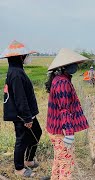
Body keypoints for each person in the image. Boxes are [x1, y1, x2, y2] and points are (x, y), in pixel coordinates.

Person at [45, 48, 89, 180]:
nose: (75, 66)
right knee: (66, 165)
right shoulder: (62, 82)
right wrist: (69, 133)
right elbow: (64, 109)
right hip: (61, 131)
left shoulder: (59, 79)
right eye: (72, 64)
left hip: (56, 129)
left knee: (59, 161)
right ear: (64, 67)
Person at [1, 40, 42, 178]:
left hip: (25, 113)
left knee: (36, 132)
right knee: (22, 139)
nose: (26, 57)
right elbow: (20, 98)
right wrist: (27, 118)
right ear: (19, 57)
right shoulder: (17, 74)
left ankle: (29, 160)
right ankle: (19, 168)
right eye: (24, 55)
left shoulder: (16, 71)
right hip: (21, 115)